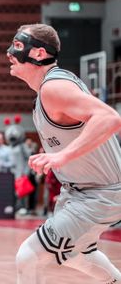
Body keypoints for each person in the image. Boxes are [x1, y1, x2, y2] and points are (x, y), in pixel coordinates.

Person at [8, 23, 121, 284]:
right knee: (74, 254)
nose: (9, 53)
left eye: (17, 45)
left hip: (101, 193)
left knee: (29, 256)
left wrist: (61, 156)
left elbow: (109, 118)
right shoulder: (46, 91)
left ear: (38, 53)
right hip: (80, 192)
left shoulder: (54, 87)